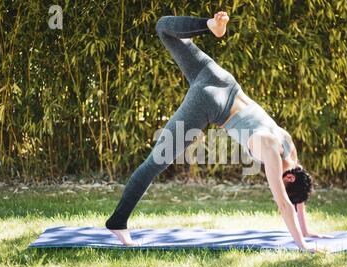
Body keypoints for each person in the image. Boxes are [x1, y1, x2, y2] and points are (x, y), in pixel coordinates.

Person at [105, 12, 332, 252]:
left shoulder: (287, 144)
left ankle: (209, 26)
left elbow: (295, 198)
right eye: (283, 182)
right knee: (156, 162)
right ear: (288, 178)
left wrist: (305, 229)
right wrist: (303, 244)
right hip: (211, 103)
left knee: (163, 27)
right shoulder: (271, 150)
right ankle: (117, 223)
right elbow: (285, 204)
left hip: (221, 79)